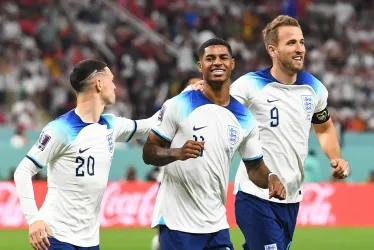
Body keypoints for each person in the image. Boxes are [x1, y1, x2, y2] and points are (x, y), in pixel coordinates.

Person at [190, 15, 350, 250]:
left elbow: (324, 127)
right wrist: (199, 92)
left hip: (291, 198)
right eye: (291, 43)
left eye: (302, 42)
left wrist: (335, 157)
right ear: (272, 50)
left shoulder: (314, 88)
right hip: (255, 196)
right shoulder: (249, 85)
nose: (300, 49)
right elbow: (217, 105)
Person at [142, 38, 286, 250]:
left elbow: (255, 167)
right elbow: (149, 151)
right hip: (177, 224)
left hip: (216, 225)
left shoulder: (245, 118)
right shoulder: (179, 104)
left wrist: (271, 178)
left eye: (223, 58)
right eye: (210, 58)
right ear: (200, 66)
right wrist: (177, 152)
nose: (217, 62)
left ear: (232, 64)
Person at [13, 59, 156, 250]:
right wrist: (33, 220)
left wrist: (186, 97)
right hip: (56, 237)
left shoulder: (111, 124)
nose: (115, 86)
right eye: (111, 80)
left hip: (90, 241)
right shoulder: (60, 129)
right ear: (98, 83)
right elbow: (22, 171)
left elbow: (151, 124)